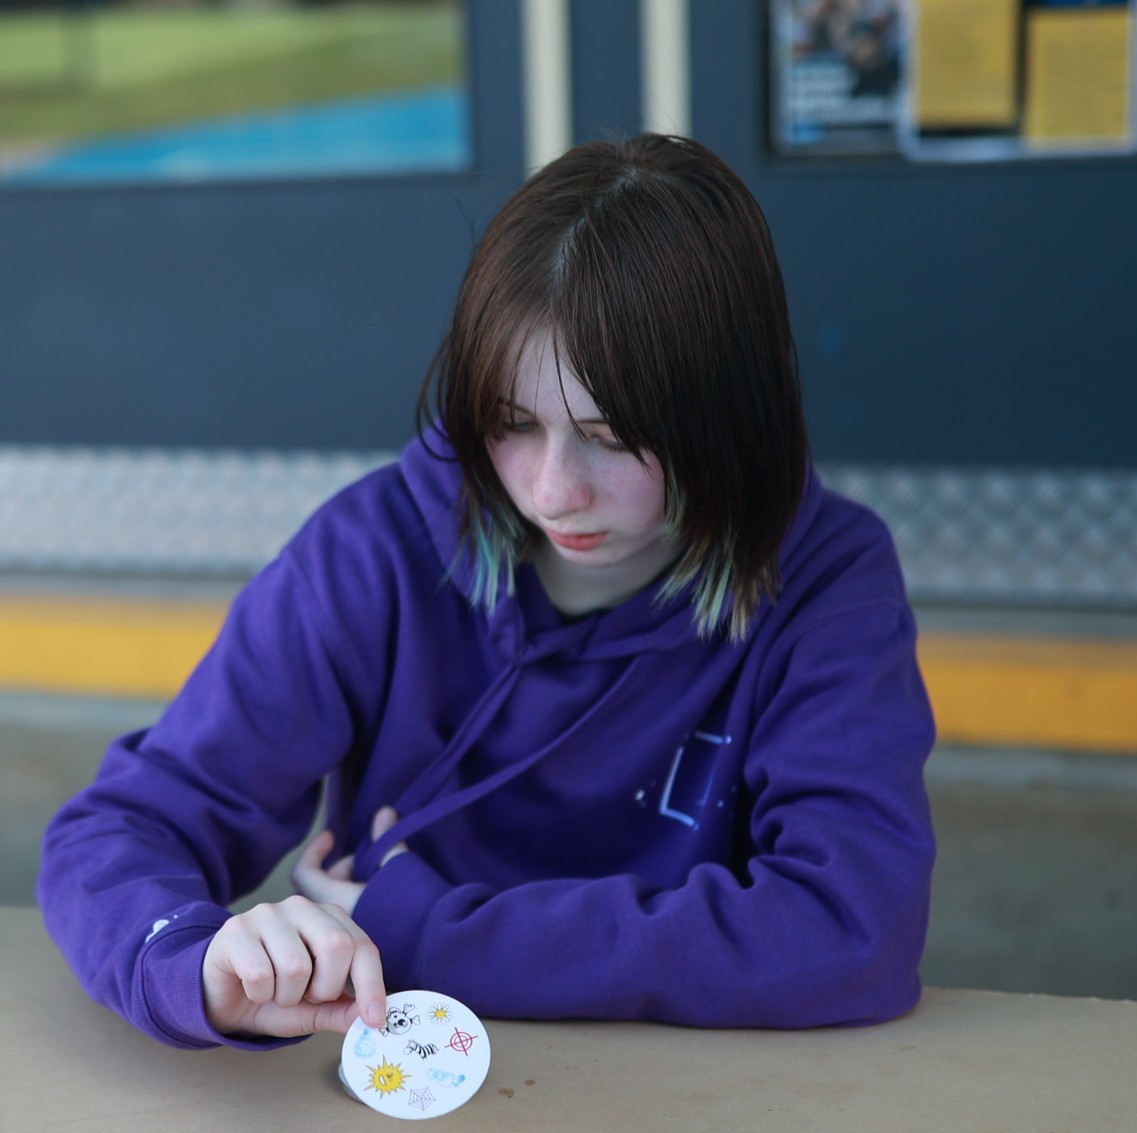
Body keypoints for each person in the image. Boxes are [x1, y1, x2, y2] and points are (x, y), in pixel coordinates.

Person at [39, 133, 936, 1051]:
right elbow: (122, 827)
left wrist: (427, 930)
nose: (552, 490)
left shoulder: (827, 576)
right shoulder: (376, 547)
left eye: (614, 436)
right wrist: (193, 963)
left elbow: (853, 930)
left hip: (691, 1082)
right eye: (510, 423)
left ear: (732, 414)